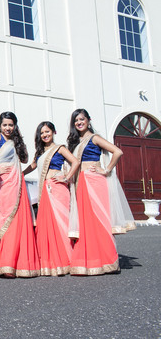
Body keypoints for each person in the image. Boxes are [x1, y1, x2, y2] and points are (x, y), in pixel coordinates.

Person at [66, 109, 136, 275]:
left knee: (99, 220)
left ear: (89, 120)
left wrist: (106, 170)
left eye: (82, 119)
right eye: (76, 120)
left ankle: (107, 260)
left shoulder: (94, 138)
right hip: (82, 182)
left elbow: (117, 151)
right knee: (86, 222)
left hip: (94, 181)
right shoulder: (77, 141)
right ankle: (91, 260)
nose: (79, 123)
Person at [0, 111, 40, 278]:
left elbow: (24, 160)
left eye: (11, 125)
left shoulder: (15, 140)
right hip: (2, 185)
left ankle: (19, 264)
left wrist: (19, 138)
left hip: (17, 184)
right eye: (5, 125)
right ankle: (6, 264)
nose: (7, 128)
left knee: (18, 224)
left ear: (15, 126)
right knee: (5, 223)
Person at [23, 121, 79, 276]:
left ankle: (67, 260)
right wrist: (21, 174)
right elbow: (33, 165)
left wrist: (66, 178)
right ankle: (50, 262)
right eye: (41, 133)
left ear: (53, 132)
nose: (44, 135)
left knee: (61, 224)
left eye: (47, 131)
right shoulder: (40, 152)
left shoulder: (60, 148)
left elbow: (75, 162)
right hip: (45, 190)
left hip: (57, 188)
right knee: (46, 225)